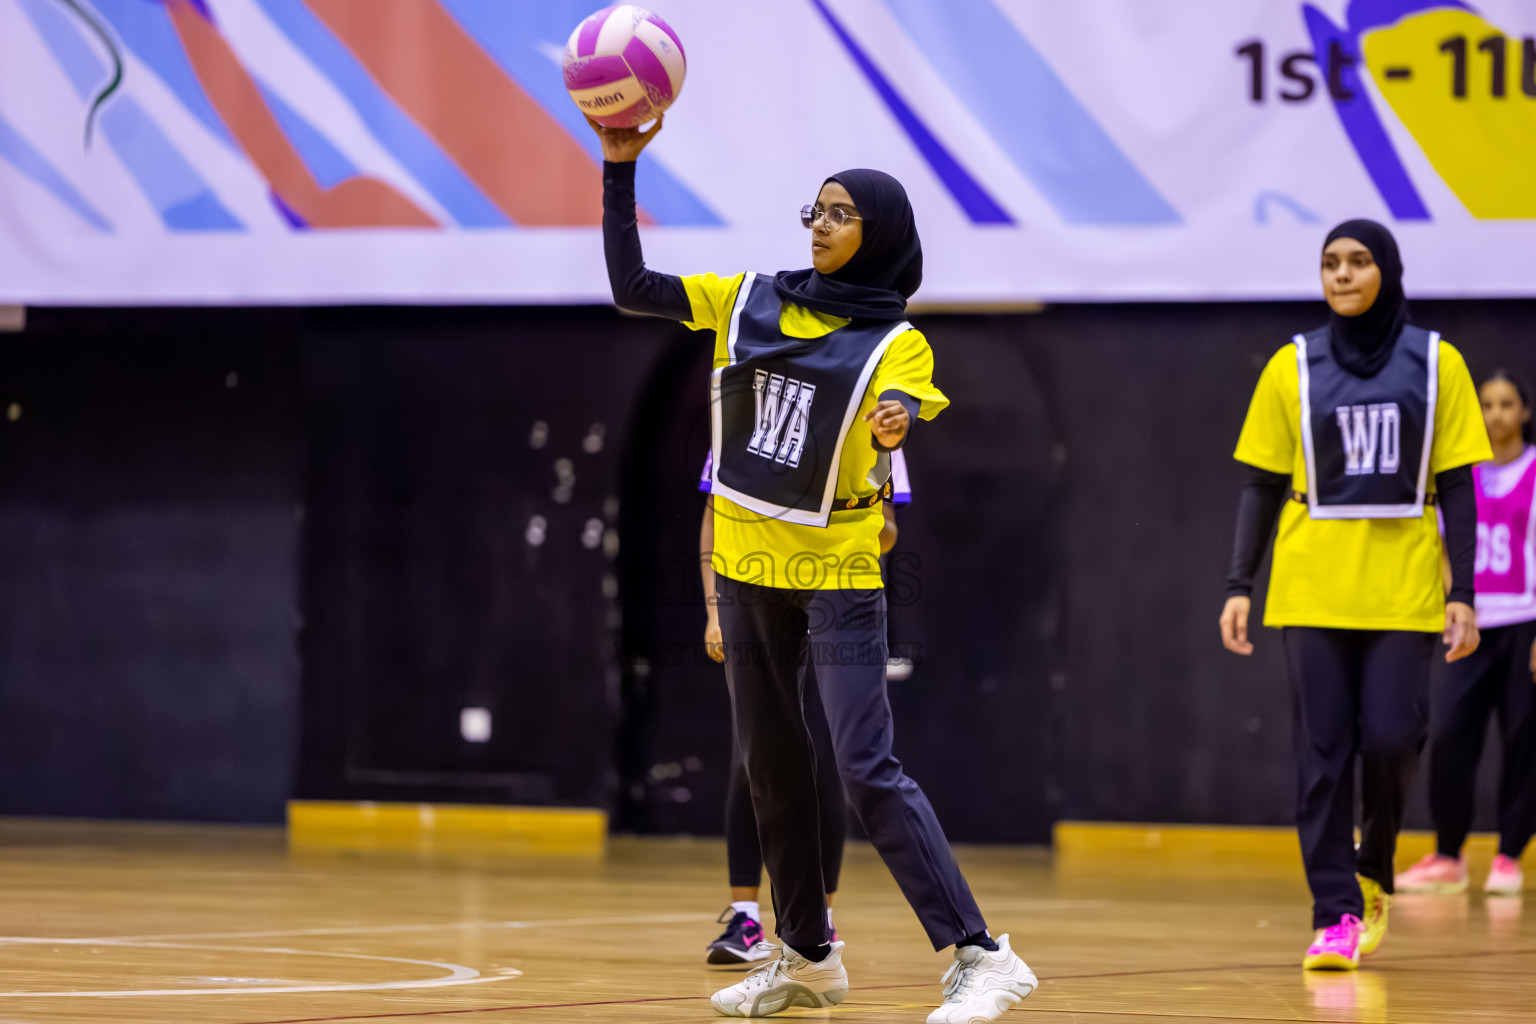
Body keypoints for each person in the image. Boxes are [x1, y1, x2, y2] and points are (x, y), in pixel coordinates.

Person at [592, 115, 1036, 1022]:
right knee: (769, 767)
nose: (820, 224)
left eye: (841, 213)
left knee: (865, 766)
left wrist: (894, 423)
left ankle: (983, 955)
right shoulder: (747, 297)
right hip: (753, 559)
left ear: (880, 233)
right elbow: (633, 287)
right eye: (815, 209)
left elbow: (904, 399)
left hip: (838, 565)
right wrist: (619, 168)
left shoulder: (895, 343)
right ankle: (806, 955)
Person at [1219, 219, 1490, 971]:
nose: (1341, 275)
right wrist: (1240, 583)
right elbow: (1262, 483)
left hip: (1402, 586)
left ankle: (1375, 864)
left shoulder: (1436, 362)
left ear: (1387, 270)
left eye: (1358, 261)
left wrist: (1462, 591)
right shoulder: (1291, 366)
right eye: (1330, 263)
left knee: (1392, 738)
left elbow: (1459, 486)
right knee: (1321, 752)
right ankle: (1334, 910)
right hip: (1310, 587)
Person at [698, 451, 911, 964]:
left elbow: (886, 529)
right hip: (757, 601)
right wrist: (715, 608)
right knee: (752, 759)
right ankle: (745, 920)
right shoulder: (745, 415)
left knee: (829, 762)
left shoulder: (877, 433)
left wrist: (824, 543)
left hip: (832, 604)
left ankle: (822, 919)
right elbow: (714, 522)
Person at [1396, 370, 1536, 896]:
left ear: (1523, 412)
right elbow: (1439, 548)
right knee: (1451, 734)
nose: (1496, 413)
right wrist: (1459, 602)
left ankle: (1508, 855)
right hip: (1473, 620)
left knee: (1523, 737)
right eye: (1487, 404)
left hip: (1525, 620)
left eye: (1506, 403)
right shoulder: (1461, 477)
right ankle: (1448, 855)